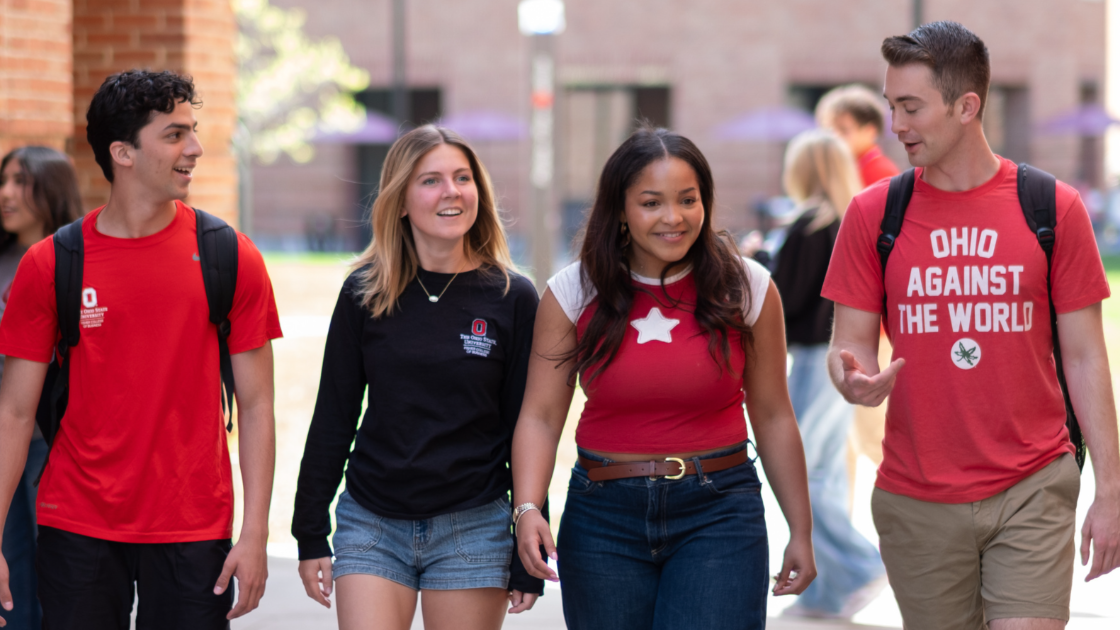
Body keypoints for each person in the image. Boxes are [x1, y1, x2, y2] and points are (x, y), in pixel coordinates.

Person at [824, 21, 1120, 630]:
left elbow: (1088, 356)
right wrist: (852, 377)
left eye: (911, 107)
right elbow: (848, 343)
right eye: (890, 107)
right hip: (916, 493)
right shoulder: (873, 214)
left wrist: (1110, 491)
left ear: (966, 106)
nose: (896, 125)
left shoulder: (1051, 208)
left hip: (1033, 483)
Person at [0, 69, 281, 629]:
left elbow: (256, 407)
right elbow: (14, 410)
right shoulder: (52, 264)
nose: (196, 148)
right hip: (75, 522)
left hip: (193, 525)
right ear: (122, 152)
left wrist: (254, 534)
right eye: (175, 135)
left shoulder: (230, 255)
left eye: (193, 131)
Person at [510, 126, 816, 630]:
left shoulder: (749, 287)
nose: (673, 217)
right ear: (622, 211)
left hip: (720, 514)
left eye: (687, 200)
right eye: (651, 202)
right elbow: (541, 416)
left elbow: (773, 413)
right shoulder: (572, 291)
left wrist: (801, 530)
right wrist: (527, 508)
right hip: (603, 517)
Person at [292, 124, 543, 630]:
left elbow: (530, 427)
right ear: (401, 200)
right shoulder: (364, 292)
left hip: (473, 525)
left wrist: (527, 539)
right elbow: (334, 415)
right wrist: (310, 530)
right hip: (372, 520)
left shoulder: (513, 298)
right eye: (431, 180)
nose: (451, 191)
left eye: (463, 178)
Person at [772, 130, 885, 620]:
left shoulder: (806, 228)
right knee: (827, 475)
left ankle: (861, 565)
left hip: (815, 362)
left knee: (803, 476)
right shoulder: (849, 224)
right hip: (845, 360)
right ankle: (825, 592)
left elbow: (785, 303)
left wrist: (758, 266)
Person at [0, 146, 82, 630]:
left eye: (20, 181)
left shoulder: (69, 260)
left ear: (51, 189)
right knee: (11, 572)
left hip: (49, 446)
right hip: (9, 441)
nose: (6, 193)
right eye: (3, 180)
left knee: (54, 575)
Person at [816, 84, 901, 188]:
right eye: (830, 130)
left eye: (844, 130)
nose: (835, 136)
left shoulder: (881, 173)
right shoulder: (842, 165)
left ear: (870, 131)